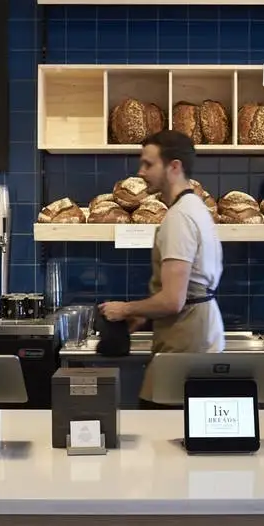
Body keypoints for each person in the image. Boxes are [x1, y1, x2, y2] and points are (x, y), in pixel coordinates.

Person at [99, 130, 224, 409]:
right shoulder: (196, 208)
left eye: (148, 164)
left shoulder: (179, 218)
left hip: (187, 337)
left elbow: (172, 300)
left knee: (163, 423)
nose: (140, 172)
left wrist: (125, 309)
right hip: (198, 330)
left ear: (174, 167)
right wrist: (143, 316)